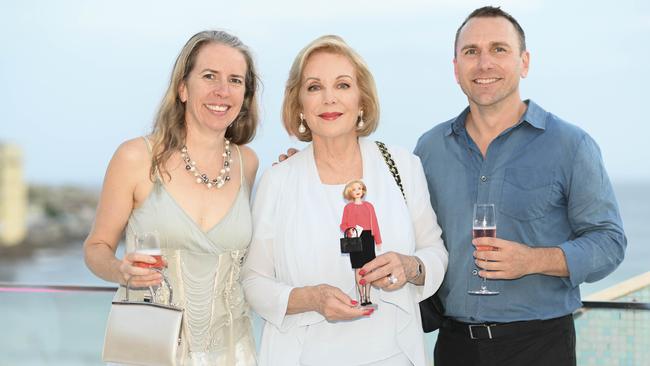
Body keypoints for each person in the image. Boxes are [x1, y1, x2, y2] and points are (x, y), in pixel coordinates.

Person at [413, 6, 627, 366]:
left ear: (524, 63)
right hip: (453, 346)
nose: (484, 64)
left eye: (499, 49)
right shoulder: (430, 148)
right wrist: (310, 164)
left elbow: (609, 242)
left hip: (540, 346)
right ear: (456, 69)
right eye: (471, 52)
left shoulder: (571, 145)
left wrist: (533, 260)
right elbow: (397, 223)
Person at [242, 35, 448, 365]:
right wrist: (311, 298)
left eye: (342, 85)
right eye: (314, 87)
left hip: (394, 355)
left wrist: (409, 267)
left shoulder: (402, 166)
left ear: (362, 100)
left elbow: (435, 253)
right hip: (304, 356)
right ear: (299, 106)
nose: (329, 99)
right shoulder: (278, 180)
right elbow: (253, 281)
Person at [83, 30, 260, 365]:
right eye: (209, 76)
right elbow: (95, 249)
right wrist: (121, 270)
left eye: (235, 80)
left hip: (231, 353)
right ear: (183, 88)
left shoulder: (247, 163)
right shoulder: (135, 157)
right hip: (148, 350)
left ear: (245, 96)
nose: (222, 90)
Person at [340, 179, 382, 307]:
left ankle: (368, 297)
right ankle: (362, 298)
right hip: (355, 238)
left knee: (368, 268)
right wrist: (349, 231)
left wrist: (378, 240)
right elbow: (343, 224)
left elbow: (375, 223)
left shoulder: (369, 206)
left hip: (368, 237)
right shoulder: (348, 207)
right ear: (349, 193)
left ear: (363, 190)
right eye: (354, 189)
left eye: (359, 188)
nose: (357, 191)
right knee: (358, 268)